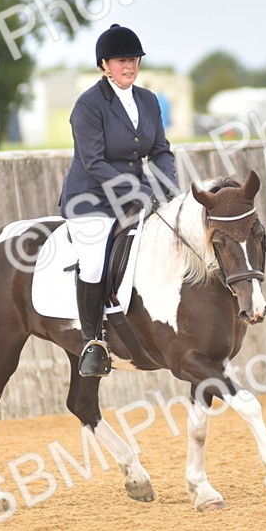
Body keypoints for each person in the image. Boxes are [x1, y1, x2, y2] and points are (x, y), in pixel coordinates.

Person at [57, 24, 178, 378]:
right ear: (104, 65)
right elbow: (94, 162)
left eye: (134, 60)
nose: (130, 66)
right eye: (122, 60)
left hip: (134, 197)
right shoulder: (88, 105)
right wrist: (138, 191)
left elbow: (159, 150)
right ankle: (92, 342)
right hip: (91, 200)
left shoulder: (148, 100)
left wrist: (171, 191)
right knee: (93, 262)